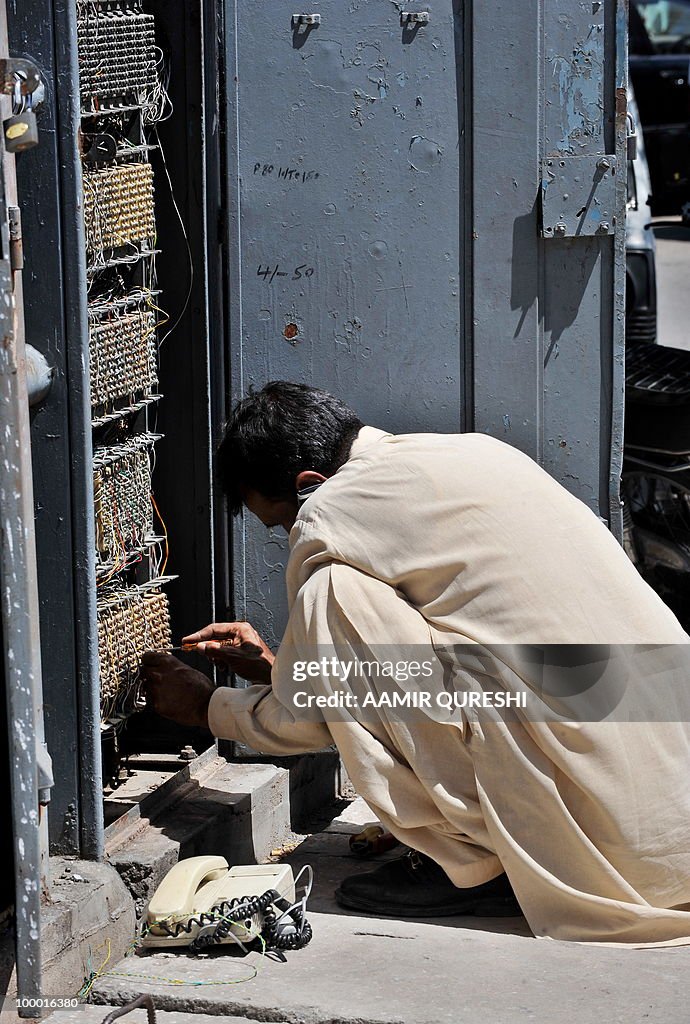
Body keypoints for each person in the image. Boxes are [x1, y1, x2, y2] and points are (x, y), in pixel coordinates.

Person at [142, 381, 690, 945]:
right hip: (669, 807)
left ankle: (474, 865)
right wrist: (279, 667)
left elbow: (308, 720)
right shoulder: (477, 452)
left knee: (333, 594)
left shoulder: (329, 510)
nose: (290, 534)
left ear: (309, 485)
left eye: (281, 521)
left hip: (613, 841)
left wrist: (210, 706)